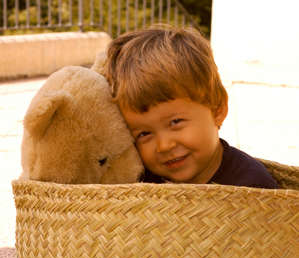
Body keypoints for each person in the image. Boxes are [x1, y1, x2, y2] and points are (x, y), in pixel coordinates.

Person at [103, 25, 279, 188]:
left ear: (217, 110)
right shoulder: (139, 183)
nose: (164, 145)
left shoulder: (253, 187)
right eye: (144, 134)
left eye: (175, 122)